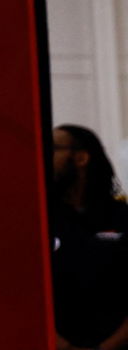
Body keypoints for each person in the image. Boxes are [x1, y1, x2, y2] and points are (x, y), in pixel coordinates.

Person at [51, 123, 128, 350]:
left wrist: (106, 348)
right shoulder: (42, 220)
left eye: (53, 148)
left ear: (81, 158)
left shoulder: (122, 218)